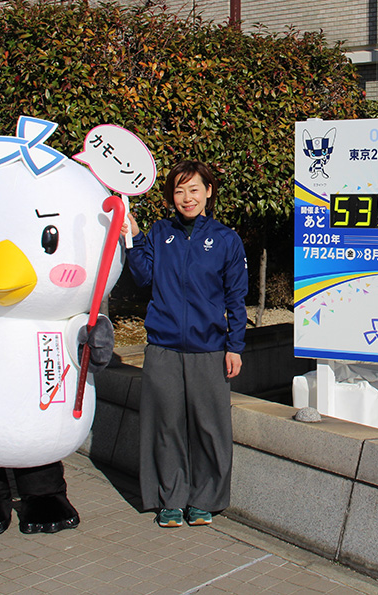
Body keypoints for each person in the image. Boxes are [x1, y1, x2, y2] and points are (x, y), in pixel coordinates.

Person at [123, 159, 248, 528]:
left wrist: (235, 346)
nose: (187, 197)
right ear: (170, 196)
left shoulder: (226, 239)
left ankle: (205, 499)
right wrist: (133, 238)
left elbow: (235, 298)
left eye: (194, 189)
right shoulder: (160, 233)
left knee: (210, 427)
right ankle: (170, 499)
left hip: (209, 348)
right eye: (179, 190)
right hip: (163, 347)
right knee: (166, 426)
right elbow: (143, 277)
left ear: (208, 191)